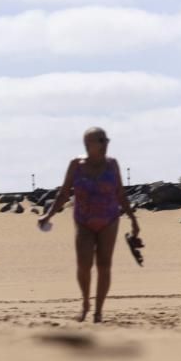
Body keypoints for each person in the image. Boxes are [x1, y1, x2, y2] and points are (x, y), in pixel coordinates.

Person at [37, 127, 139, 323]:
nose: (105, 143)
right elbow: (64, 193)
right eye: (100, 140)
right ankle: (85, 302)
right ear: (88, 144)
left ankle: (98, 311)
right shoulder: (76, 165)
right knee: (84, 265)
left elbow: (120, 193)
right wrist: (48, 215)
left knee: (104, 265)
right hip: (83, 221)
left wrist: (133, 220)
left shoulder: (112, 164)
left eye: (106, 140)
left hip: (109, 219)